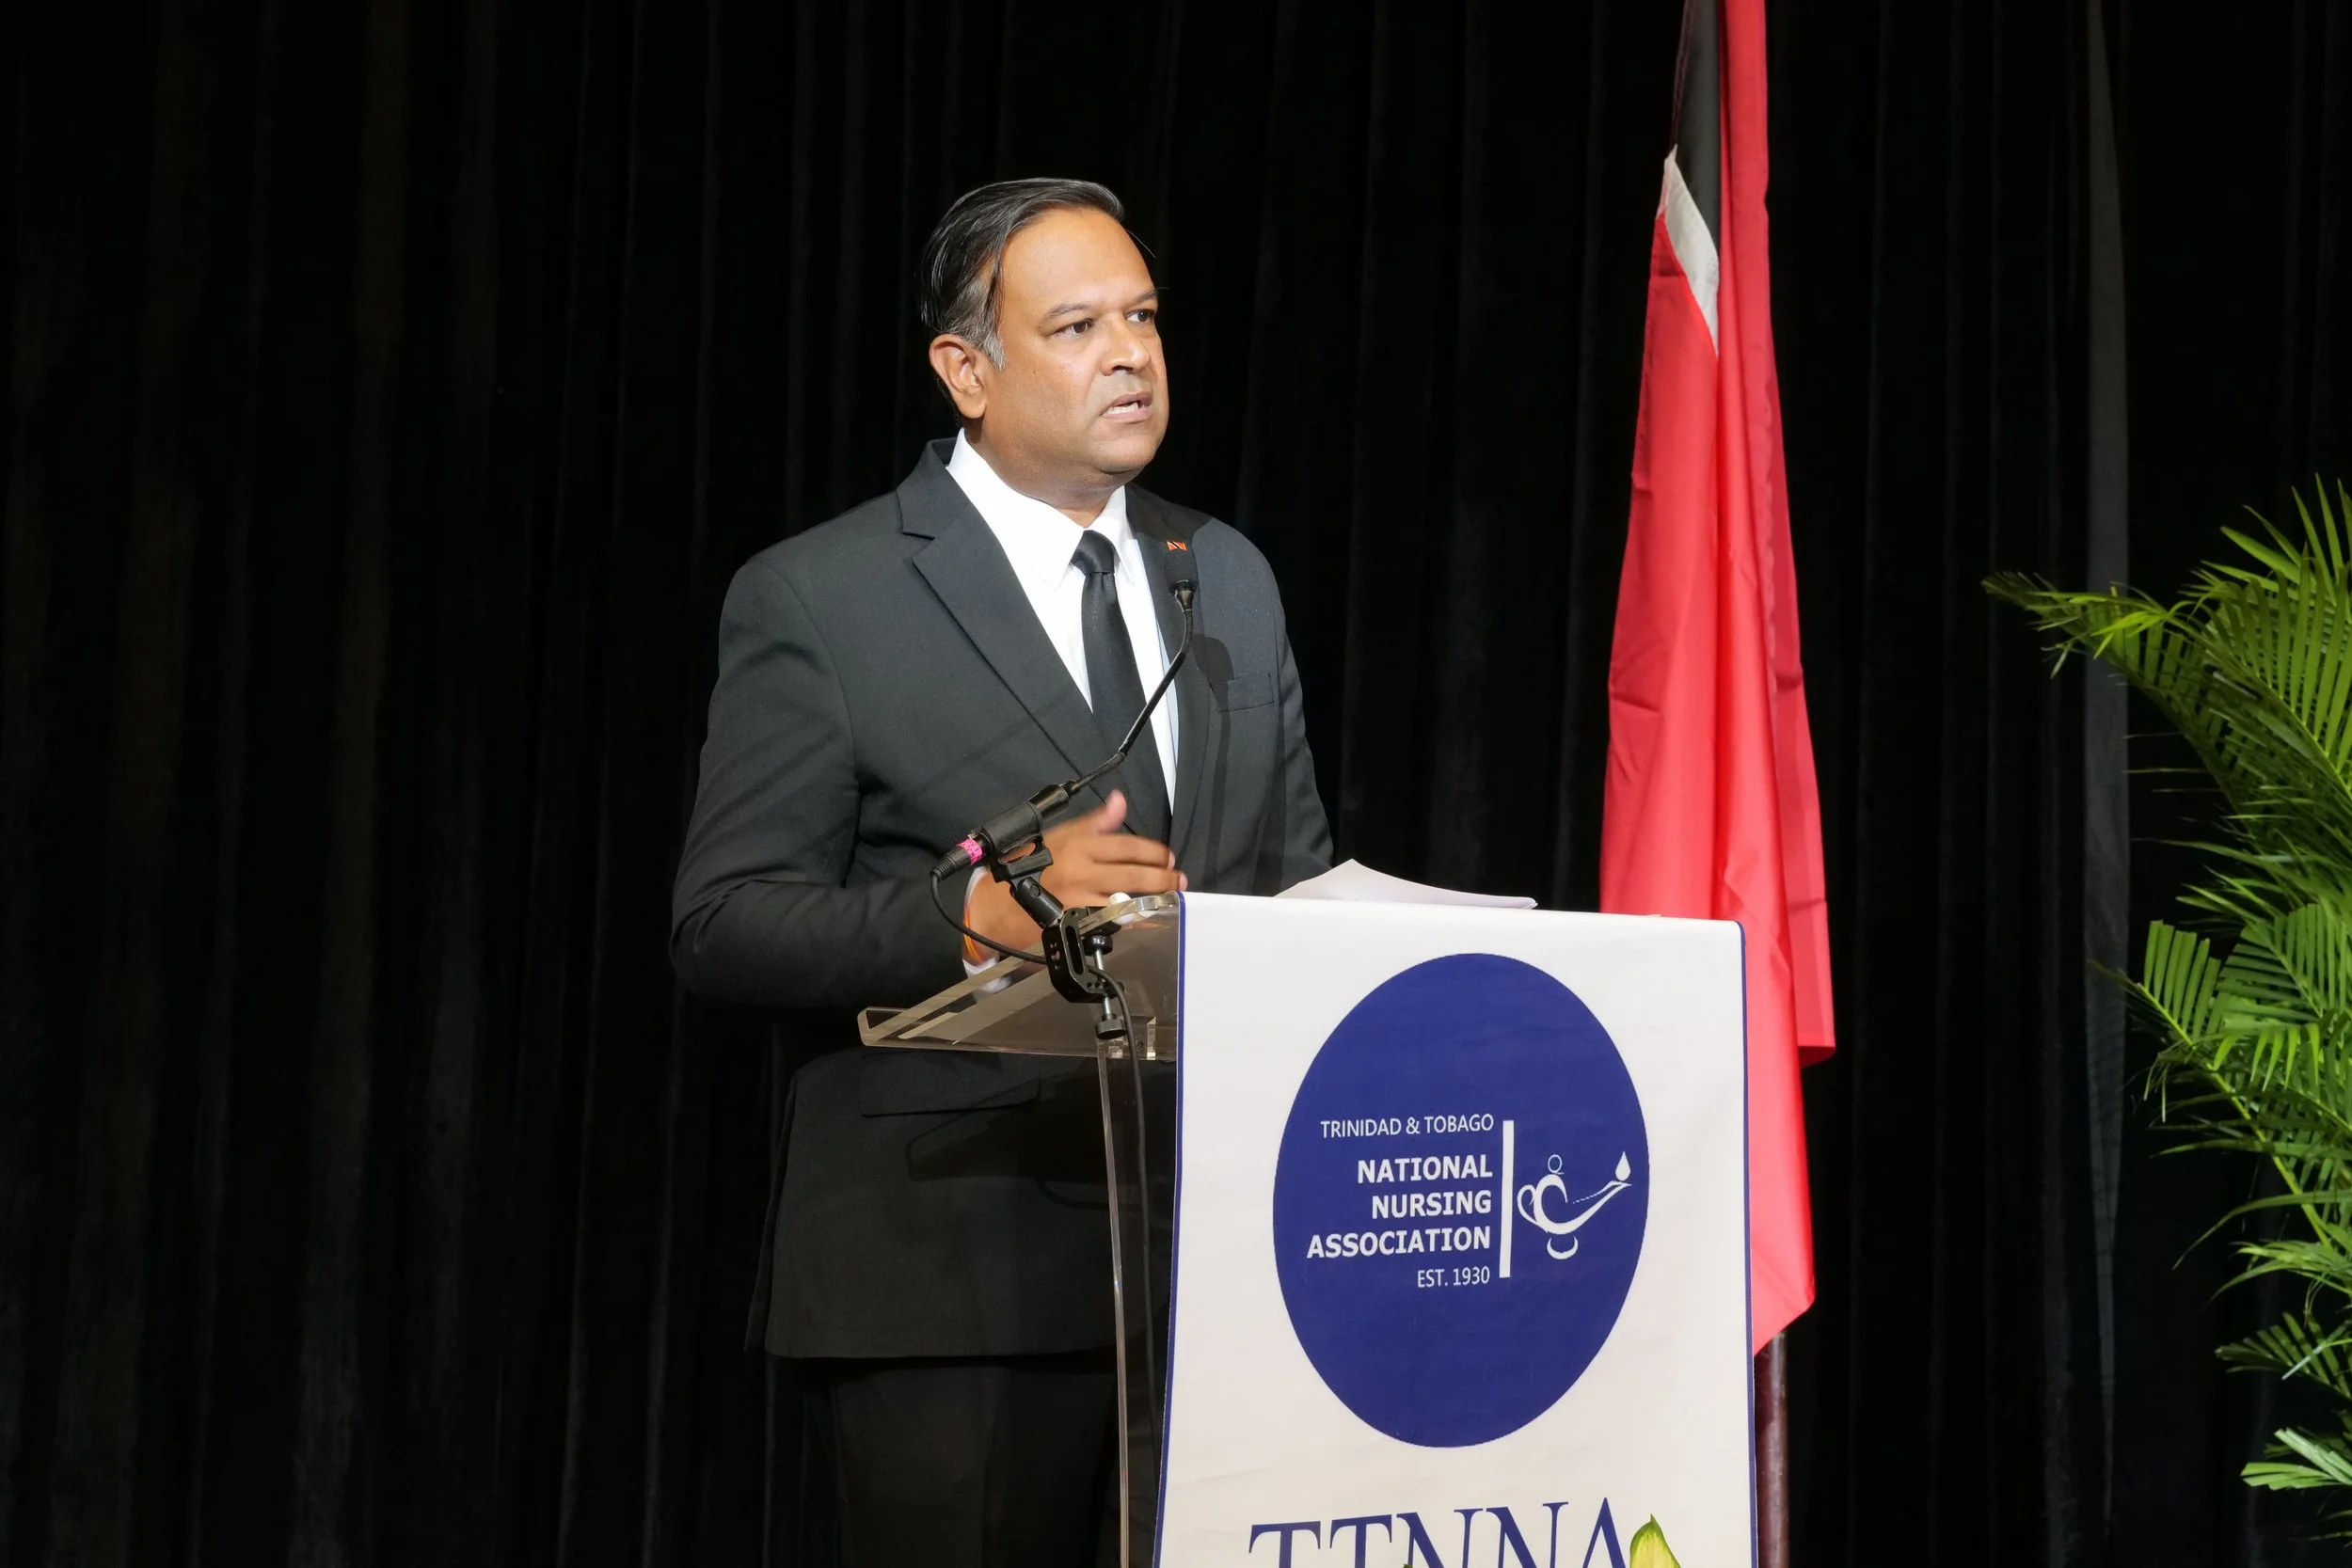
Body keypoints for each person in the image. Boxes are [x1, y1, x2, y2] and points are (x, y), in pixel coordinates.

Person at [670, 177, 1331, 1567]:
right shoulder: (823, 595)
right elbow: (724, 925)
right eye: (1080, 324)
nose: (1133, 354)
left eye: (1144, 316)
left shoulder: (1229, 578)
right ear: (967, 369)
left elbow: (1292, 886)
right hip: (950, 1275)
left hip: (1209, 1272)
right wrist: (970, 920)